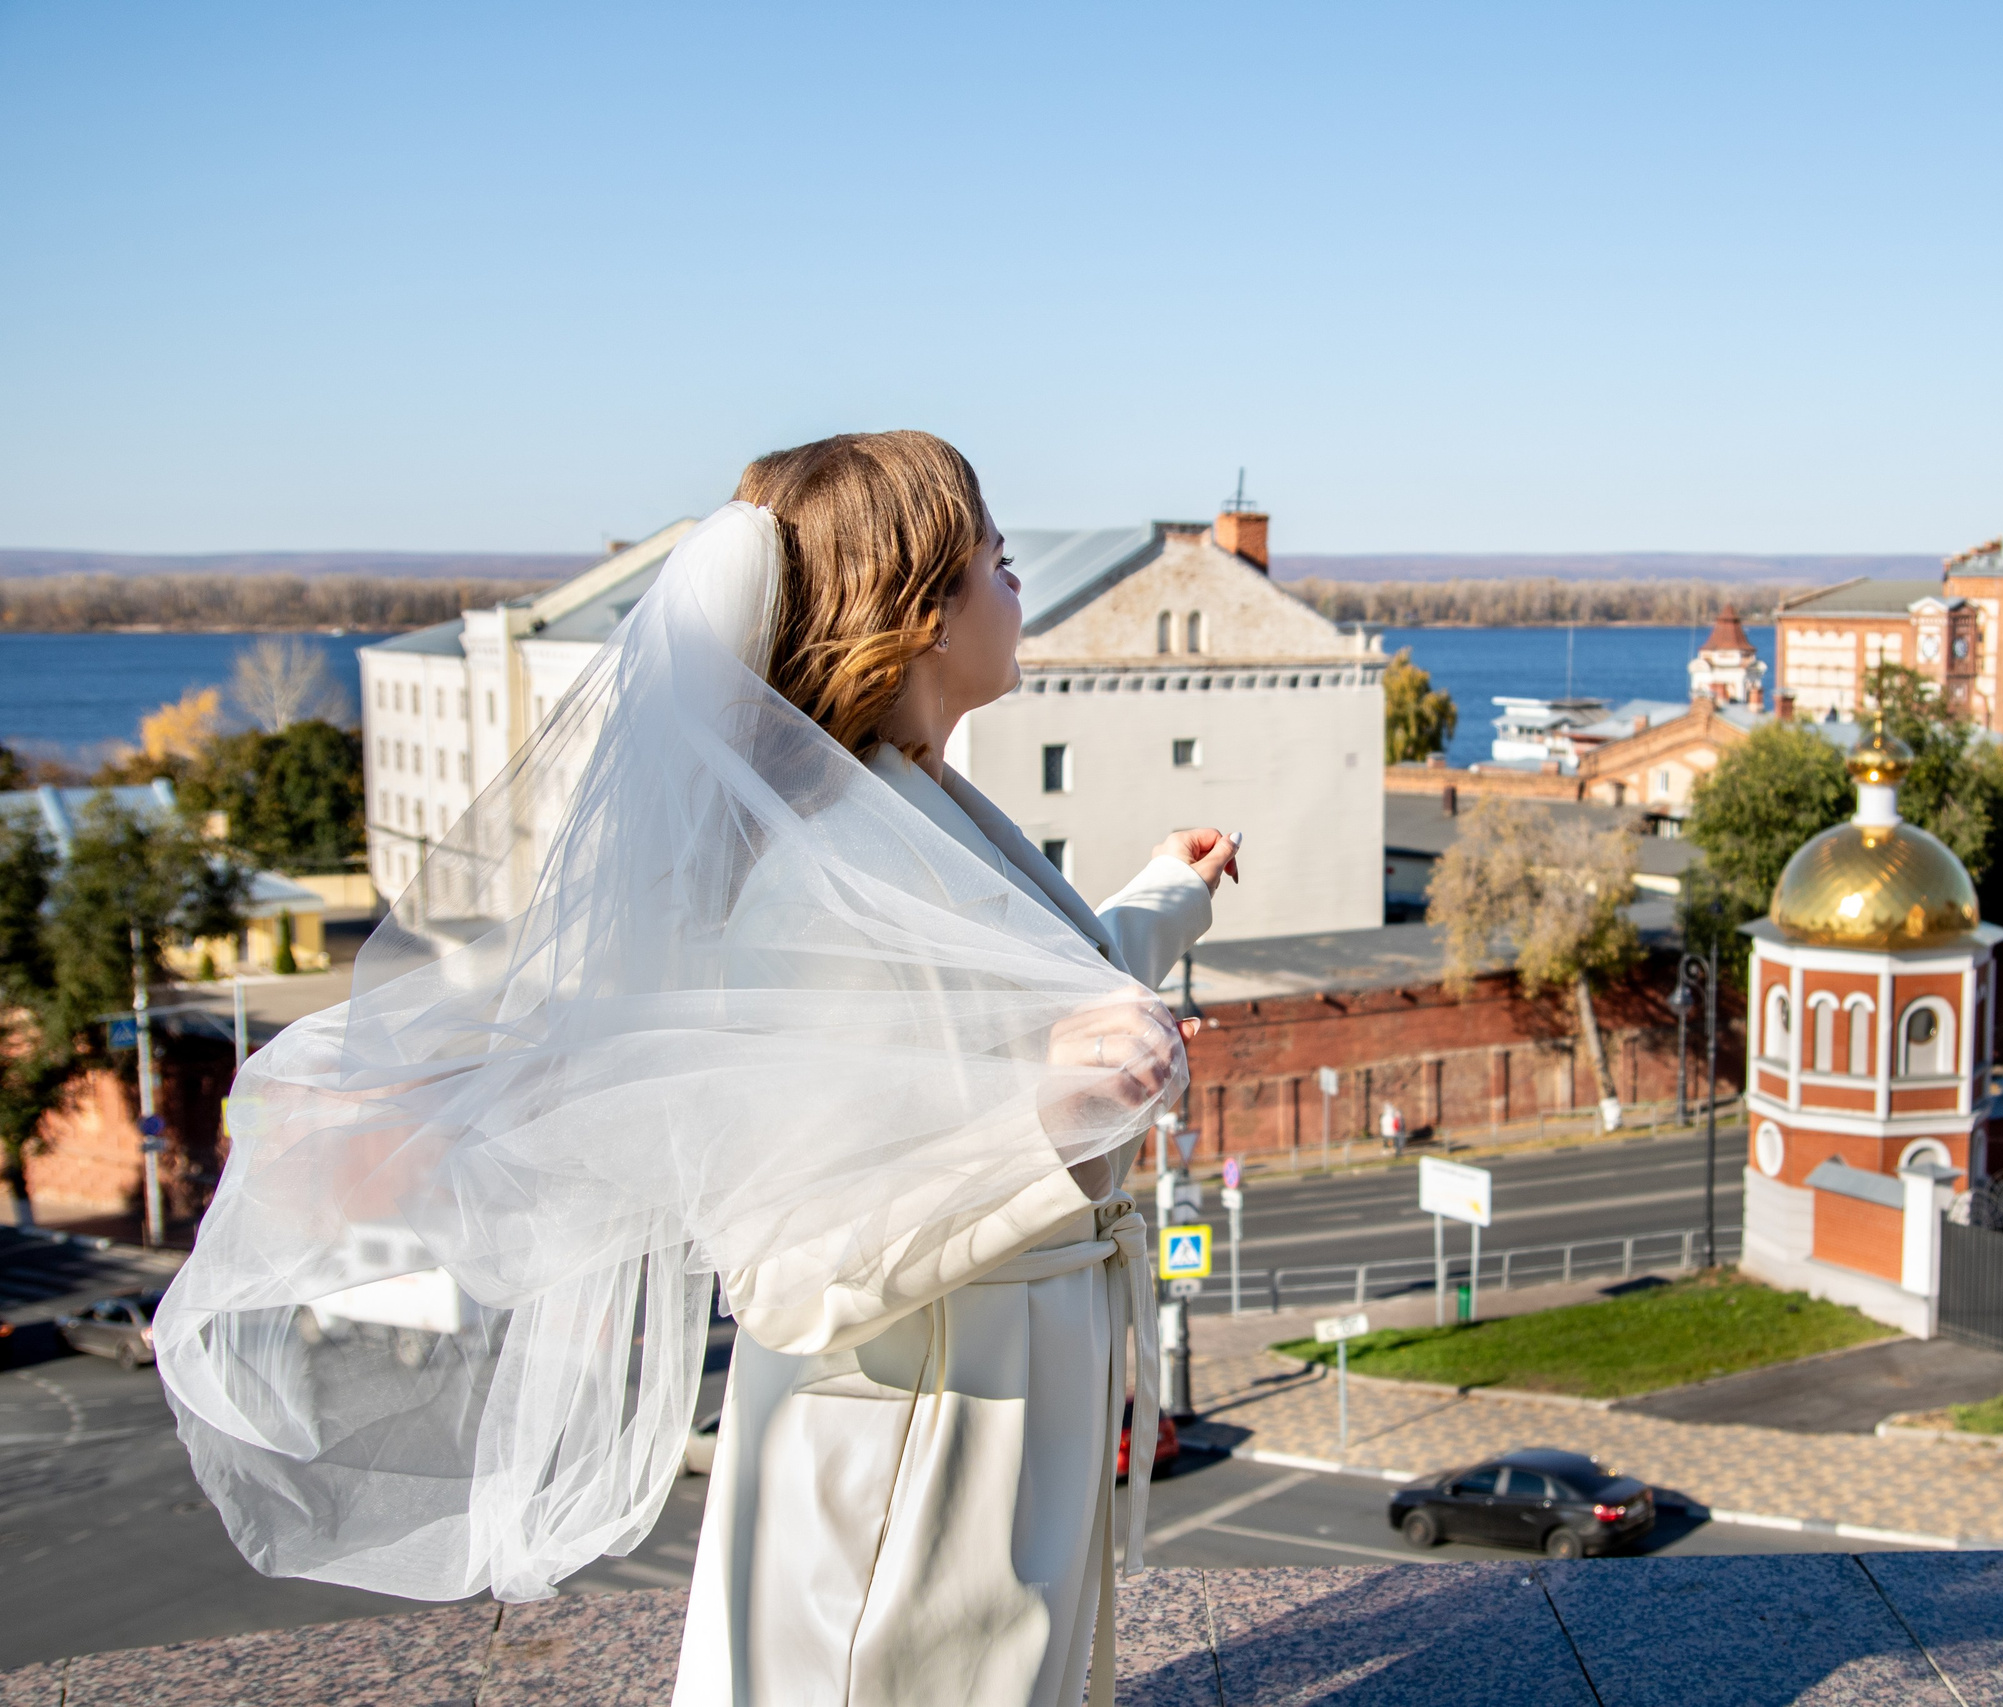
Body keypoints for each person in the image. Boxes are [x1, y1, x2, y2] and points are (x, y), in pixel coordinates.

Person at [158, 433, 1227, 1707]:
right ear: (923, 611)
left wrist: (1167, 896)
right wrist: (1058, 1122)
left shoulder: (911, 799)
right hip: (911, 1445)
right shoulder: (810, 881)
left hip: (1006, 1411)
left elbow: (1042, 985)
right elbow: (786, 1252)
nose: (1019, 593)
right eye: (997, 563)